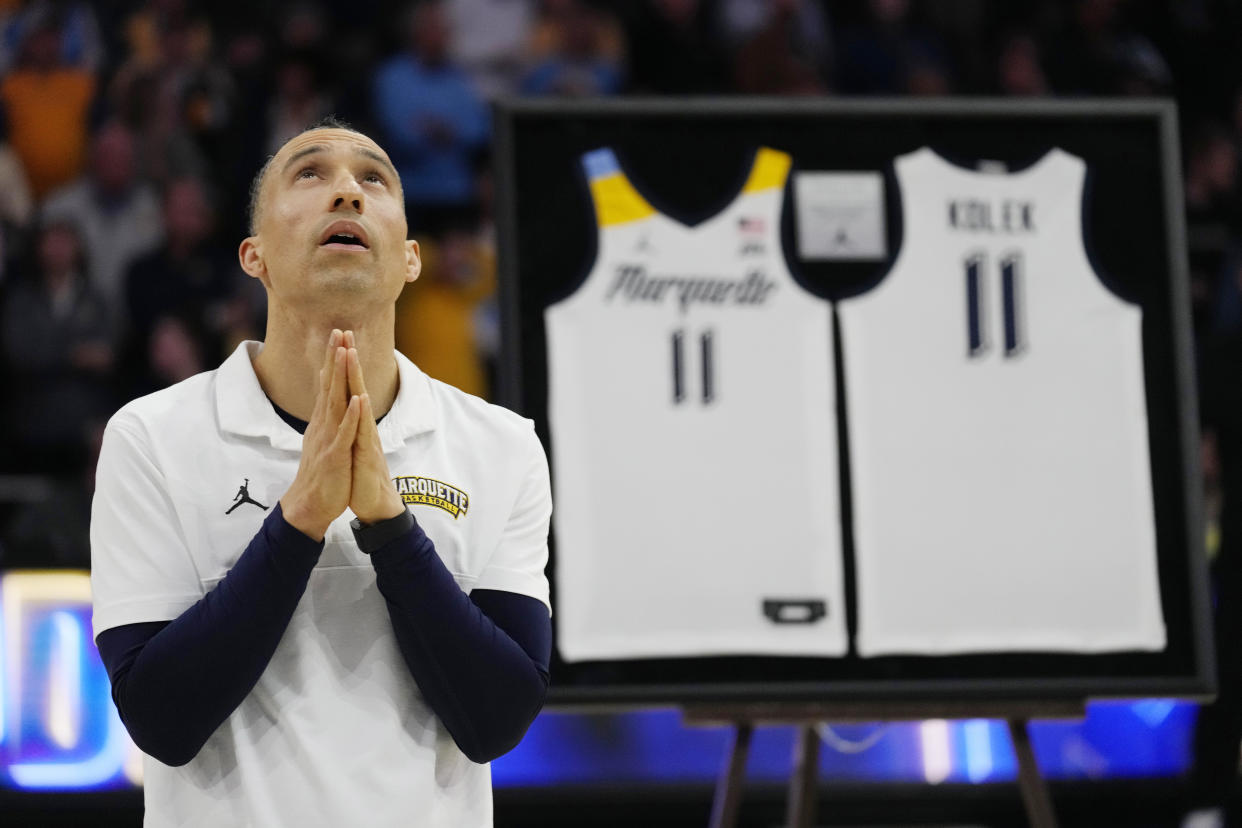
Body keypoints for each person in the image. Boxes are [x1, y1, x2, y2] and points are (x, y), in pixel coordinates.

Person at [89, 118, 552, 827]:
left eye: (374, 179)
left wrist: (392, 531)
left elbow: (495, 722)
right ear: (254, 256)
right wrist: (298, 522)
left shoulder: (502, 445)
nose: (347, 192)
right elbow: (161, 720)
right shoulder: (151, 438)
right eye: (310, 174)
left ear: (412, 260)